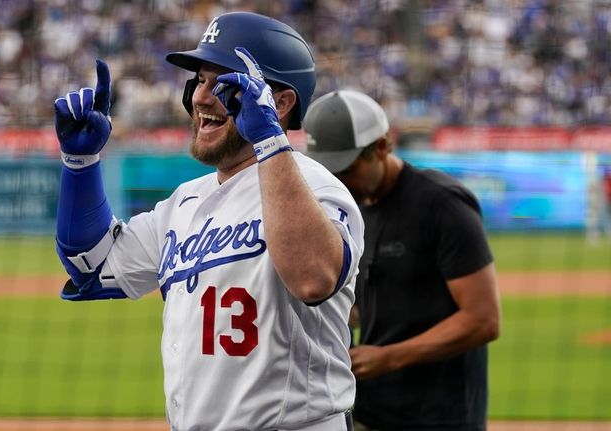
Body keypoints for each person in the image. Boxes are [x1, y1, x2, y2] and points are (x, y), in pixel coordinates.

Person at [52, 12, 364, 431]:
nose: (202, 97)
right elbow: (91, 265)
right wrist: (80, 164)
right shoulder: (185, 202)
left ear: (281, 103)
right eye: (199, 81)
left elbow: (313, 278)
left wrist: (270, 140)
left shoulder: (317, 188)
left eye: (225, 84)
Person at [303, 89, 501, 431]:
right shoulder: (351, 210)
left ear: (381, 147)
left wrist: (387, 357)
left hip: (440, 415)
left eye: (347, 169)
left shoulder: (442, 204)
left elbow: (483, 319)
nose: (338, 182)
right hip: (370, 408)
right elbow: (376, 300)